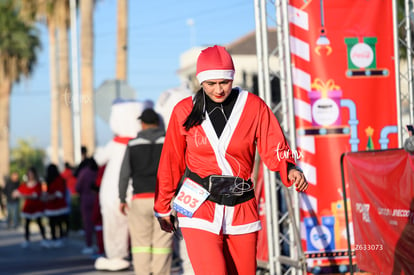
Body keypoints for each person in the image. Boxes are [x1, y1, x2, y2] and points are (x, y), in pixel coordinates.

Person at [154, 45, 308, 275]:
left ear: (232, 78)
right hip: (198, 206)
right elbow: (171, 160)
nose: (218, 89)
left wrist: (290, 167)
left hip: (241, 207)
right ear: (200, 82)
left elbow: (275, 144)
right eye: (211, 83)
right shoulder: (184, 110)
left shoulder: (253, 106)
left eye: (224, 82)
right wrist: (162, 206)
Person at [119, 108, 173, 275]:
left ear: (142, 123)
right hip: (164, 199)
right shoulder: (168, 141)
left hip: (140, 199)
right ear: (157, 123)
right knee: (162, 243)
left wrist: (122, 198)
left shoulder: (133, 144)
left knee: (141, 244)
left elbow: (124, 174)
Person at [13, 167, 48, 248]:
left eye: (32, 173)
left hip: (36, 206)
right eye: (29, 174)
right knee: (27, 224)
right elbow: (17, 192)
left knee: (39, 222)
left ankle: (44, 239)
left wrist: (25, 195)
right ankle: (27, 240)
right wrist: (17, 194)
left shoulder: (38, 184)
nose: (30, 175)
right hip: (28, 207)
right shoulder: (24, 184)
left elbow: (36, 195)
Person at [76, 157, 98, 255]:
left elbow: (78, 187)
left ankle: (89, 245)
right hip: (97, 198)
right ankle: (99, 244)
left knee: (88, 223)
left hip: (85, 198)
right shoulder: (98, 172)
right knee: (98, 223)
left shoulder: (84, 172)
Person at [44, 164, 70, 247]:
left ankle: (60, 238)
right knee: (52, 223)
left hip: (58, 205)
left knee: (58, 222)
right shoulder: (49, 180)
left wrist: (51, 196)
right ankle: (54, 238)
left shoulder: (59, 180)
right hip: (51, 205)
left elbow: (60, 193)